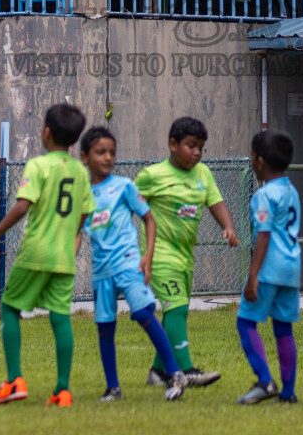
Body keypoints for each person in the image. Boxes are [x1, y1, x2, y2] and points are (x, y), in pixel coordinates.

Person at [0, 103, 94, 406]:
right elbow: (84, 213)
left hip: (36, 253)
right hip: (64, 257)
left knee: (10, 309)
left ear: (46, 132)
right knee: (60, 318)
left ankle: (15, 380)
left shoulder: (39, 166)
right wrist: (74, 238)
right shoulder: (80, 171)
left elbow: (21, 206)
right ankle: (62, 389)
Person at [77, 126, 186, 402]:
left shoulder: (124, 187)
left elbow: (149, 218)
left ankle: (174, 373)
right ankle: (113, 387)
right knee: (105, 326)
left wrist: (147, 256)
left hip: (129, 264)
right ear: (84, 157)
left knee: (142, 312)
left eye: (112, 152)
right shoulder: (83, 196)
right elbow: (77, 232)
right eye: (100, 152)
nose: (108, 157)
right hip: (102, 272)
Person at [136, 116, 239, 388]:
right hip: (159, 255)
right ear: (172, 144)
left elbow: (216, 204)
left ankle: (158, 373)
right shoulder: (152, 176)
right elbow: (127, 204)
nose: (197, 153)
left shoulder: (203, 174)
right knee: (177, 308)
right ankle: (187, 370)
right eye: (191, 146)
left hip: (185, 257)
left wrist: (228, 227)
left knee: (175, 313)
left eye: (201, 148)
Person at [236, 129, 301, 405]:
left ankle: (265, 381)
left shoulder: (263, 196)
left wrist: (253, 275)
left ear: (260, 161)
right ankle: (288, 392)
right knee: (283, 328)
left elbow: (263, 234)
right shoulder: (291, 190)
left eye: (252, 155)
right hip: (291, 268)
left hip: (269, 268)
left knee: (245, 321)